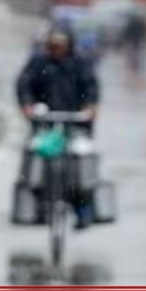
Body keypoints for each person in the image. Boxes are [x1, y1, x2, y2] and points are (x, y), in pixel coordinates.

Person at [15, 27, 99, 229]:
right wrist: (28, 106)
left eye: (61, 45)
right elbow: (24, 84)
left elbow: (90, 87)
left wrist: (90, 107)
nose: (57, 49)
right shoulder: (38, 63)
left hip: (75, 124)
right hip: (45, 125)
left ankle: (83, 209)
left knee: (82, 160)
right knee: (34, 155)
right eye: (53, 45)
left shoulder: (79, 64)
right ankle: (36, 204)